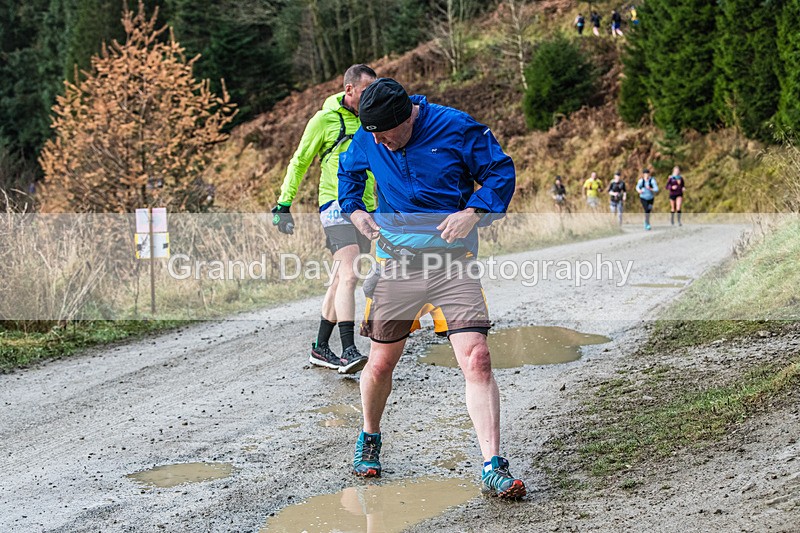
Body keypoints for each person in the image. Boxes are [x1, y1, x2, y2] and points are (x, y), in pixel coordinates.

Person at [338, 78, 526, 499]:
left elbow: (500, 170)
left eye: (388, 135)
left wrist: (474, 211)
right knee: (381, 363)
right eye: (375, 137)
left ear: (407, 117)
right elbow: (347, 176)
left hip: (451, 262)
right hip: (395, 263)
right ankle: (370, 436)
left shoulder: (455, 127)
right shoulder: (370, 138)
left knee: (476, 358)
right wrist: (356, 214)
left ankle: (493, 465)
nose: (383, 144)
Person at [272, 64, 377, 374]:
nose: (372, 97)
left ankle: (320, 348)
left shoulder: (371, 120)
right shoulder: (324, 119)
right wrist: (283, 203)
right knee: (350, 273)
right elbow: (300, 160)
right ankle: (347, 350)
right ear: (349, 90)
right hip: (335, 203)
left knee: (339, 278)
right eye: (366, 91)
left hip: (365, 207)